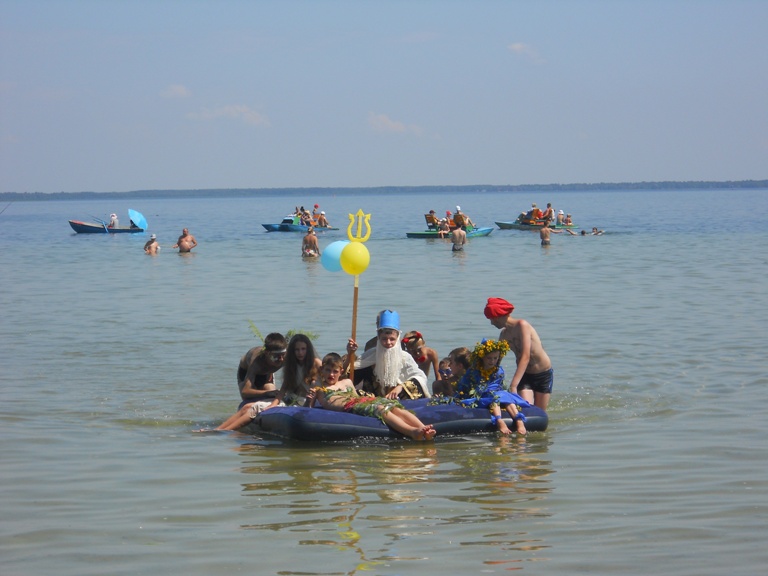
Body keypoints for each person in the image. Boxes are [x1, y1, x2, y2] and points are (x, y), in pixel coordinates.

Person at [307, 353, 437, 441]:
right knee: (380, 409)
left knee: (394, 407)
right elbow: (309, 409)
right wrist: (309, 399)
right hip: (350, 406)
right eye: (328, 370)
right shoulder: (318, 386)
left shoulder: (346, 382)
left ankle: (423, 428)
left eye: (335, 371)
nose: (331, 374)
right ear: (322, 370)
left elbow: (356, 396)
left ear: (340, 372)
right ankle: (412, 432)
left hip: (361, 401)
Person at [445, 339, 529, 435]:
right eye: (489, 358)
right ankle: (499, 420)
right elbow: (465, 384)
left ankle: (518, 420)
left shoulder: (499, 371)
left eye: (495, 358)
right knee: (494, 397)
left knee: (505, 396)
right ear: (482, 357)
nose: (492, 361)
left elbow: (498, 385)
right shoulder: (474, 371)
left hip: (498, 393)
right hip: (482, 395)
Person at [484, 297, 554, 410]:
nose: (491, 323)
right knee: (526, 409)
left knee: (539, 412)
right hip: (524, 375)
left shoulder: (522, 325)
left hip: (543, 374)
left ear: (497, 316)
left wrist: (513, 385)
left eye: (491, 319)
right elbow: (496, 360)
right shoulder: (504, 335)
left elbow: (526, 356)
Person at [345, 309, 430, 399]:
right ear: (379, 337)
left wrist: (401, 387)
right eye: (384, 339)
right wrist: (350, 354)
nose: (388, 342)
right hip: (373, 398)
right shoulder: (370, 354)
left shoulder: (405, 357)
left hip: (399, 397)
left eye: (392, 339)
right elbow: (349, 374)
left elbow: (421, 378)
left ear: (397, 337)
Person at [268, 333, 323, 409]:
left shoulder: (316, 363)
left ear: (308, 349)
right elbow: (284, 387)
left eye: (303, 349)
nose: (300, 353)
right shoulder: (291, 365)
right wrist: (273, 404)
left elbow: (329, 379)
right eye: (297, 349)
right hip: (293, 399)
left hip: (311, 400)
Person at [236, 333, 289, 402]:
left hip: (267, 373)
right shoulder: (256, 363)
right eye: (277, 356)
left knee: (272, 395)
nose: (281, 359)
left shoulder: (286, 358)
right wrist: (267, 393)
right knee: (249, 401)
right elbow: (245, 392)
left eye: (283, 355)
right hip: (246, 372)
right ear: (266, 353)